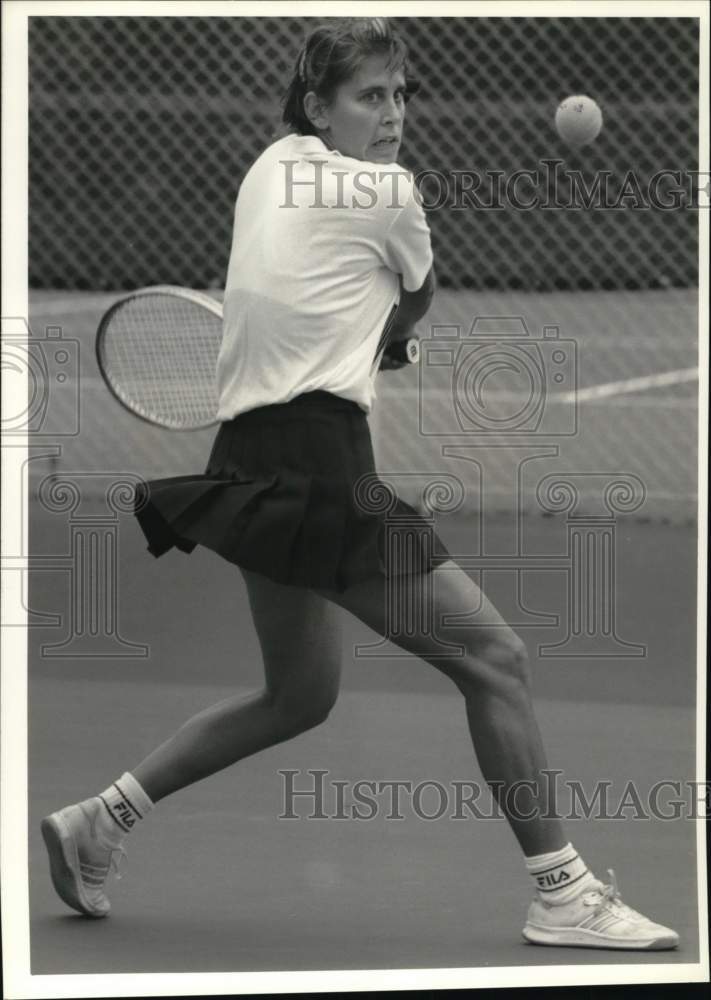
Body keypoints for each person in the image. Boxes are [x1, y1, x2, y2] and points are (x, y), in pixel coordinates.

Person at [42, 17, 678, 951]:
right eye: (368, 97)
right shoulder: (389, 192)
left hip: (246, 462)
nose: (391, 115)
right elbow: (414, 298)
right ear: (318, 107)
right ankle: (563, 894)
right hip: (321, 465)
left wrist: (368, 334)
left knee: (297, 696)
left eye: (399, 95)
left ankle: (103, 816)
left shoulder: (267, 167)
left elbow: (325, 289)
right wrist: (395, 334)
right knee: (494, 660)